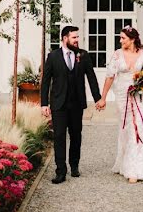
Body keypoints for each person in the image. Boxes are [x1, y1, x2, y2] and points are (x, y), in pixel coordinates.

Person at [40, 25, 103, 184]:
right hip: (58, 104)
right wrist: (44, 103)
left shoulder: (83, 55)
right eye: (74, 37)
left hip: (76, 103)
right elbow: (46, 81)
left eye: (77, 37)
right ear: (65, 38)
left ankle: (74, 165)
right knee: (59, 136)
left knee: (76, 136)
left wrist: (98, 98)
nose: (77, 40)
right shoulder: (53, 56)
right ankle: (60, 171)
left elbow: (91, 77)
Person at [99, 26, 143, 183]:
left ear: (133, 39)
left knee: (139, 126)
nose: (120, 40)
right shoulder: (117, 55)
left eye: (123, 38)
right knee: (126, 127)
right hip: (122, 95)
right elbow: (110, 76)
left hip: (140, 95)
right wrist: (103, 98)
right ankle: (124, 163)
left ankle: (136, 169)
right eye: (120, 37)